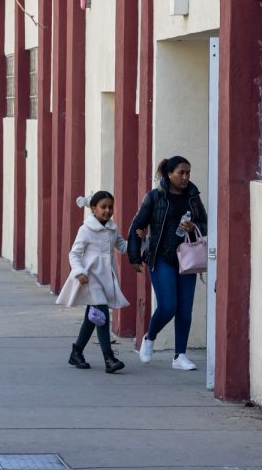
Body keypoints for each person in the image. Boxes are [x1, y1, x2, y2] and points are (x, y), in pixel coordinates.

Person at [127, 155, 207, 371]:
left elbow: (205, 225)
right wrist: (134, 257)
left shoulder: (193, 196)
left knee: (185, 309)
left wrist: (194, 226)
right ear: (169, 174)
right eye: (181, 173)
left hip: (186, 260)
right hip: (161, 258)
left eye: (188, 173)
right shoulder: (154, 197)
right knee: (168, 306)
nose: (185, 177)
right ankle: (149, 337)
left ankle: (180, 355)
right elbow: (137, 225)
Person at [55, 190, 129, 373]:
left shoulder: (113, 228)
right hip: (90, 279)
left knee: (93, 317)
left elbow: (122, 246)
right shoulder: (85, 229)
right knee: (101, 314)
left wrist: (140, 241)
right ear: (94, 208)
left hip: (106, 277)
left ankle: (76, 352)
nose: (107, 211)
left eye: (110, 207)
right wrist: (78, 271)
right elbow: (74, 253)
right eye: (103, 207)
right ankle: (109, 358)